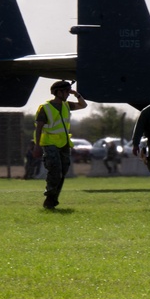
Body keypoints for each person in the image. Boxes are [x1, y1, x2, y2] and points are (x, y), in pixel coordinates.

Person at [33, 80, 88, 209]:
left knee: (63, 171)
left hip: (64, 144)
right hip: (50, 143)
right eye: (66, 92)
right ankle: (50, 195)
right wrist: (37, 145)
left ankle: (53, 199)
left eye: (68, 92)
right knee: (55, 170)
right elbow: (39, 128)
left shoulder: (67, 105)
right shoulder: (45, 108)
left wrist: (77, 94)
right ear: (57, 92)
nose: (68, 94)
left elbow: (83, 105)